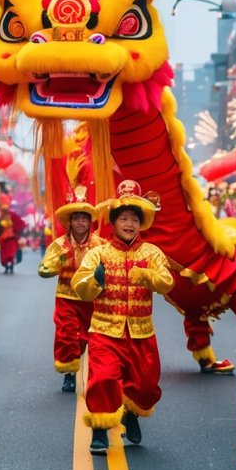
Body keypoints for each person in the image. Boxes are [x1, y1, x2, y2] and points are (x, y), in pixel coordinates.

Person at [72, 180, 174, 455]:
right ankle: (100, 428)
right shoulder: (99, 253)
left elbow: (167, 282)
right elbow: (79, 287)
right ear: (114, 223)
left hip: (141, 333)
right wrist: (95, 280)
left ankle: (131, 413)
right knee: (103, 378)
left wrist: (148, 276)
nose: (129, 224)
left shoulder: (151, 253)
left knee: (145, 386)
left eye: (134, 220)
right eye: (124, 219)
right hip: (105, 331)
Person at [37, 185, 104, 393]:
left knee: (89, 338)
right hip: (66, 298)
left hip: (92, 300)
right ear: (70, 221)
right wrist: (57, 262)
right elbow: (43, 269)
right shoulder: (59, 245)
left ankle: (96, 375)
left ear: (89, 221)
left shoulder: (100, 245)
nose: (81, 222)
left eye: (84, 218)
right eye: (76, 218)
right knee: (67, 335)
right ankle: (68, 373)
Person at [0, 193, 25, 274]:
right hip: (3, 238)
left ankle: (11, 266)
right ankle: (6, 266)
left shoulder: (12, 215)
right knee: (4, 254)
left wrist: (17, 232)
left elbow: (21, 223)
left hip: (12, 237)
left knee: (11, 253)